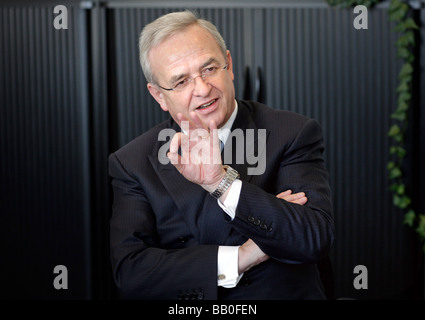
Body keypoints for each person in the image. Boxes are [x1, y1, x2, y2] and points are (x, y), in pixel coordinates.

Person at [108, 10, 335, 300]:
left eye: (209, 69)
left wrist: (221, 182)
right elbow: (131, 274)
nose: (202, 89)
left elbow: (312, 238)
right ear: (159, 96)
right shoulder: (132, 162)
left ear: (228, 65)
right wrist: (242, 256)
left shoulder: (292, 132)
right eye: (181, 82)